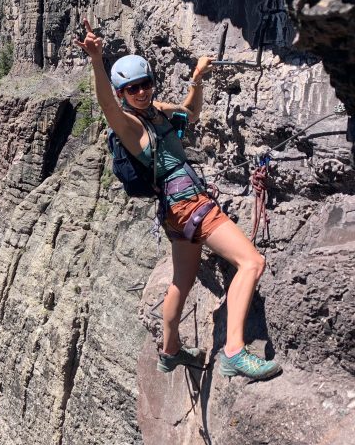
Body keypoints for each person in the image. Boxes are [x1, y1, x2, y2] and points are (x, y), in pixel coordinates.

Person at [76, 19, 281, 381]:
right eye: (131, 89)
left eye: (145, 84)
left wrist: (197, 79)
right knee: (251, 262)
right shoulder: (130, 125)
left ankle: (170, 352)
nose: (140, 92)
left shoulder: (157, 112)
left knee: (181, 282)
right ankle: (234, 351)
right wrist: (97, 60)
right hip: (189, 204)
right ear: (122, 93)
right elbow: (106, 105)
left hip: (174, 213)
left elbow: (191, 113)